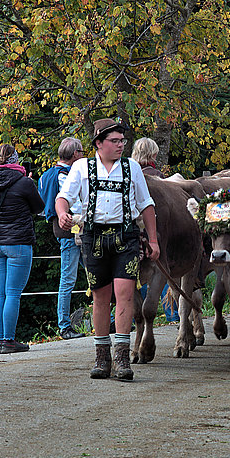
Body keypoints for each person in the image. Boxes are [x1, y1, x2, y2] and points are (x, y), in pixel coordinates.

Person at [56, 118, 160, 381]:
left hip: (125, 236)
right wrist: (62, 214)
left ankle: (122, 357)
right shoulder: (82, 167)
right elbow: (63, 197)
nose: (120, 146)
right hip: (94, 237)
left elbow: (146, 205)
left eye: (122, 141)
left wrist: (154, 240)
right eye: (114, 141)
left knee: (124, 294)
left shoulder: (132, 168)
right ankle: (102, 357)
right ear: (98, 144)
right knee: (100, 297)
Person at [0, 144, 45, 354]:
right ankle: (9, 340)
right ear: (15, 160)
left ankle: (2, 340)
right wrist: (30, 183)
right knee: (13, 293)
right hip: (18, 242)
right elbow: (39, 208)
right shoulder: (24, 182)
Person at [37, 137, 85, 340]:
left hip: (62, 230)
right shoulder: (65, 175)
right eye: (81, 152)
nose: (83, 155)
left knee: (93, 273)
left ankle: (107, 319)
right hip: (72, 230)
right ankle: (64, 326)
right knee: (68, 280)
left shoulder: (45, 176)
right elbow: (73, 204)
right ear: (74, 154)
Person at [131, 136, 178, 323]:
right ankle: (172, 315)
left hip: (132, 234)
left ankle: (136, 316)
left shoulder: (129, 175)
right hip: (156, 231)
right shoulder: (158, 177)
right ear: (153, 154)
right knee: (161, 271)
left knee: (136, 276)